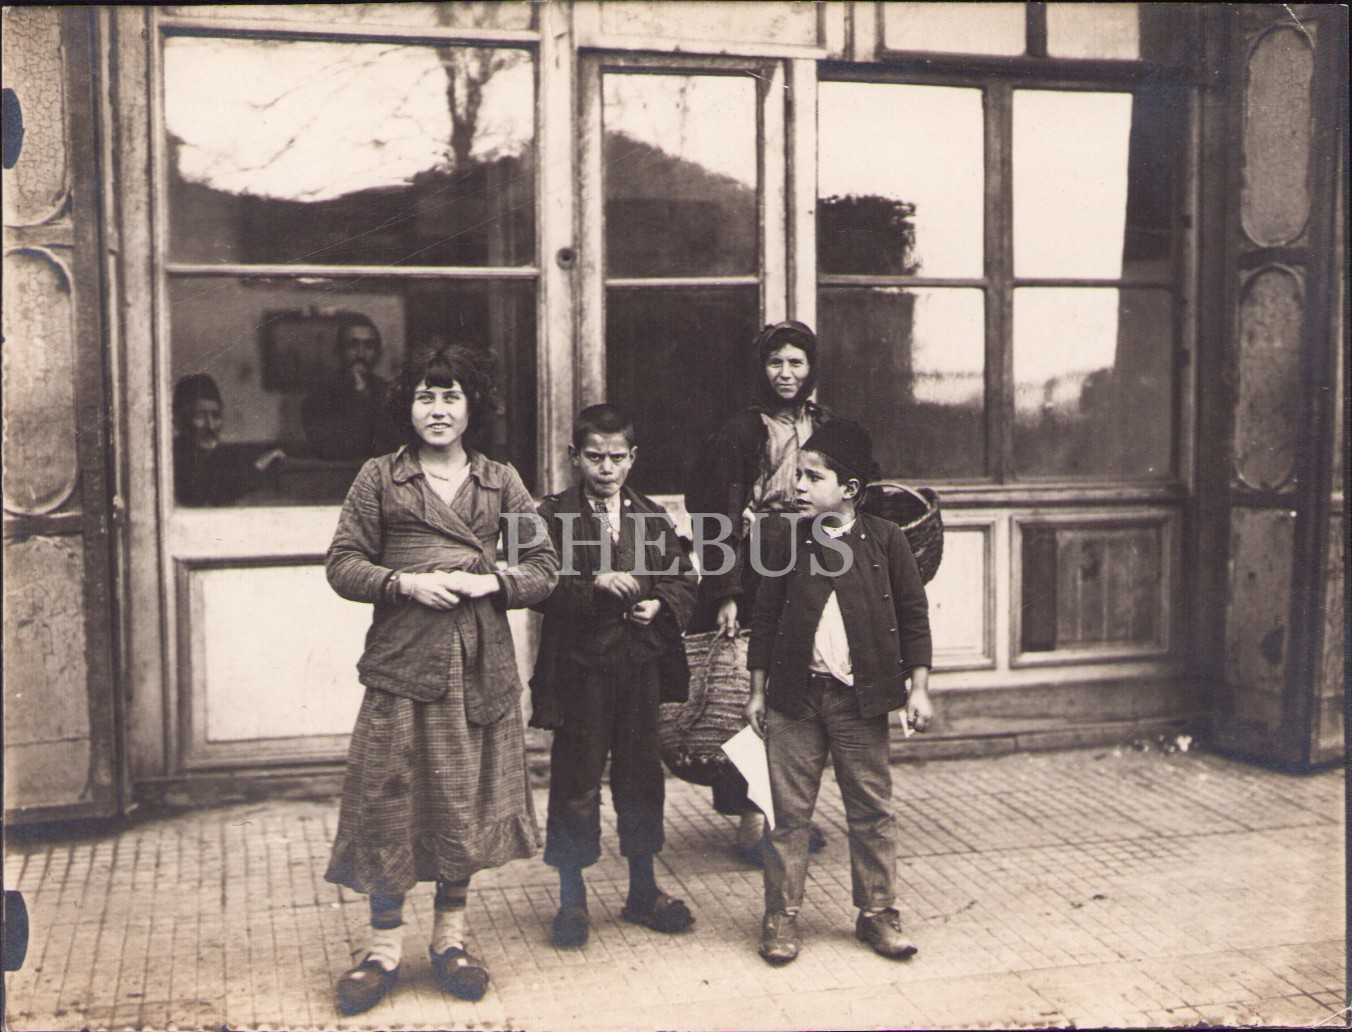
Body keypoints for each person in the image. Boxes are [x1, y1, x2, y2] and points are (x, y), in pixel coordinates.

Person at [323, 344, 559, 1015]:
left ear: (472, 406)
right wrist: (403, 583)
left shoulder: (499, 480)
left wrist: (492, 583)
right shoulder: (381, 477)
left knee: (461, 803)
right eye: (425, 396)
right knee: (388, 801)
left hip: (477, 665)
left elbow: (544, 566)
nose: (437, 409)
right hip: (402, 663)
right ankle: (381, 950)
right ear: (407, 405)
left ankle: (450, 942)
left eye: (451, 396)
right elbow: (342, 563)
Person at [745, 419, 934, 967]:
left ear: (849, 489)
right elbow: (765, 619)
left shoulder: (887, 540)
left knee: (871, 809)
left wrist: (919, 688)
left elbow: (913, 616)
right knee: (787, 814)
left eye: (813, 477)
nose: (800, 485)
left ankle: (877, 912)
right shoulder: (785, 540)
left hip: (859, 701)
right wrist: (756, 692)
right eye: (799, 475)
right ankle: (781, 915)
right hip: (795, 699)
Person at [528, 404, 698, 948]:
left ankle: (643, 890)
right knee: (576, 779)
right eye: (595, 457)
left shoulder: (651, 515)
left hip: (639, 667)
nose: (606, 468)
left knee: (641, 775)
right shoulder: (552, 516)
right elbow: (535, 583)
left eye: (617, 457)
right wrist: (593, 585)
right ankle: (572, 899)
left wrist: (659, 605)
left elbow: (682, 577)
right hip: (579, 672)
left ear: (633, 458)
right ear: (574, 457)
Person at [683, 320, 831, 863]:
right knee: (750, 690)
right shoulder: (741, 432)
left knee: (805, 688)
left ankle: (786, 815)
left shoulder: (824, 425)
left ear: (811, 368)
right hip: (754, 574)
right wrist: (725, 591)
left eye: (796, 363)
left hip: (813, 566)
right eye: (775, 363)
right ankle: (752, 824)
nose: (785, 374)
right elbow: (713, 513)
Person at [172, 373, 285, 506]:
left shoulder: (223, 456)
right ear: (180, 420)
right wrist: (258, 467)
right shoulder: (172, 460)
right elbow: (207, 495)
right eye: (199, 416)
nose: (211, 426)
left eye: (216, 416)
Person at [301, 313, 399, 461]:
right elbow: (327, 448)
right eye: (353, 345)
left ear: (377, 352)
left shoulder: (388, 391)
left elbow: (393, 446)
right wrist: (359, 396)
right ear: (339, 350)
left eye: (369, 346)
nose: (361, 354)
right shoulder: (319, 394)